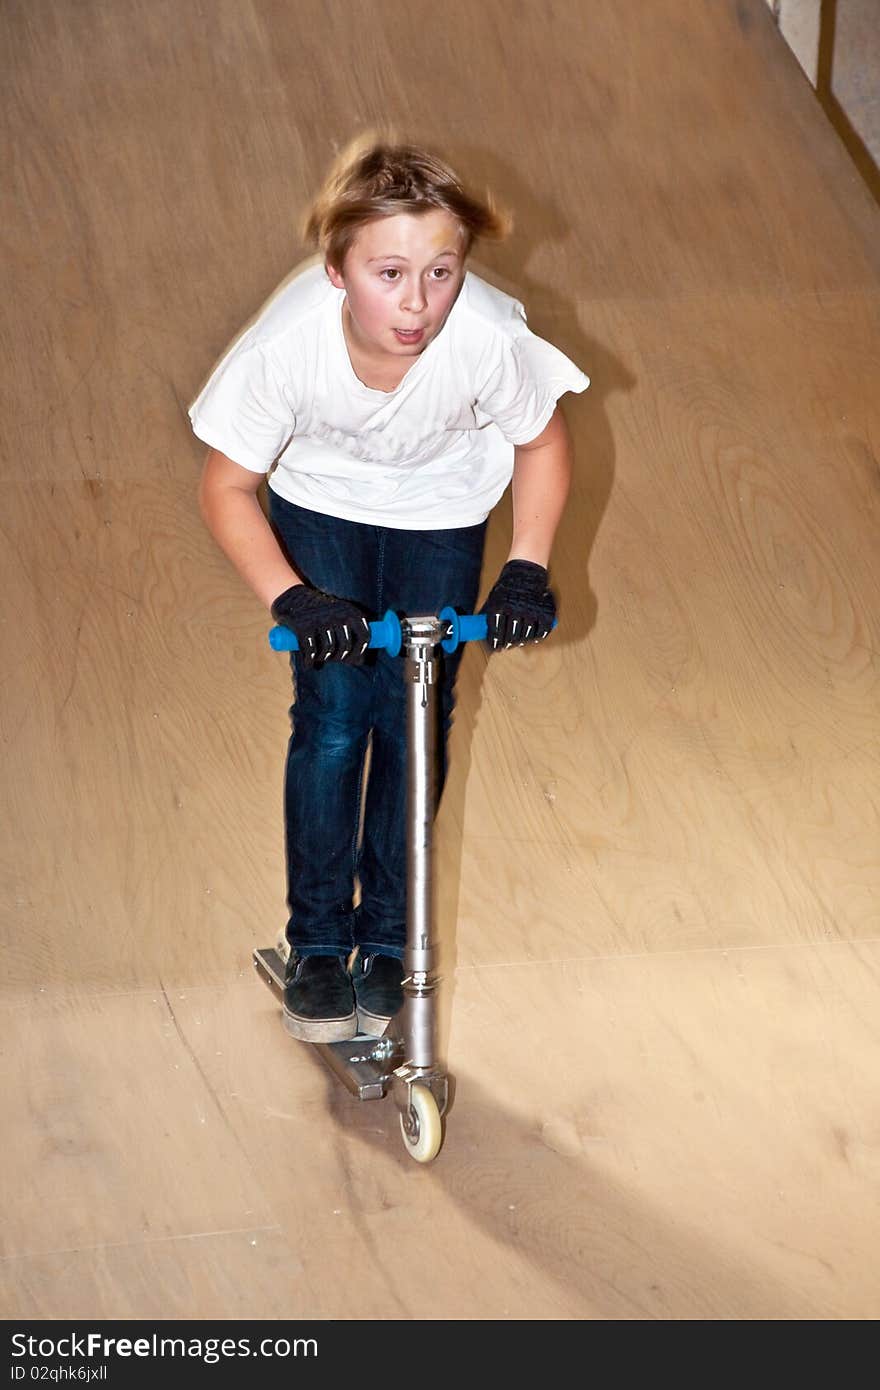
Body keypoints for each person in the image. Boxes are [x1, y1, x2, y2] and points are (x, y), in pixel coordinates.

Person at [191, 134, 589, 1044]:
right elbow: (225, 487)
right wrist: (295, 598)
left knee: (417, 710)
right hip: (320, 503)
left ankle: (384, 940)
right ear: (337, 269)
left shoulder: (483, 335)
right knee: (334, 715)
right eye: (389, 273)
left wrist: (526, 562)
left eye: (441, 272)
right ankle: (321, 945)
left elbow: (543, 441)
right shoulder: (289, 344)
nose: (417, 303)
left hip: (443, 507)